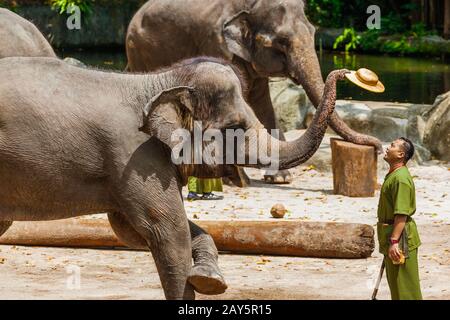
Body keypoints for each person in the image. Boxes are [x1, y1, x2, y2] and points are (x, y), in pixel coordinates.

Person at [377, 137, 422, 300]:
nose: (388, 148)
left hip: (401, 239)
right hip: (393, 236)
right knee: (397, 288)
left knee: (406, 290)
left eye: (393, 146)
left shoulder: (401, 179)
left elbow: (401, 214)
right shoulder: (394, 175)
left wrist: (394, 242)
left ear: (401, 154)